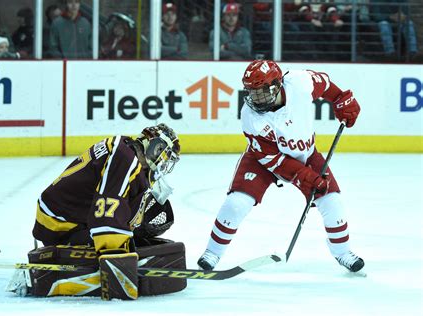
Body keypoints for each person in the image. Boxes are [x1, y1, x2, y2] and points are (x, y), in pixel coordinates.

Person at [197, 60, 364, 274]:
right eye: (251, 92)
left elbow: (326, 84)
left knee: (332, 202)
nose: (255, 98)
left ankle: (343, 253)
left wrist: (341, 99)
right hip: (263, 160)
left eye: (260, 92)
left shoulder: (300, 83)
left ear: (277, 85)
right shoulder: (251, 117)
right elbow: (275, 161)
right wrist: (306, 177)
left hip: (306, 154)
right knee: (236, 203)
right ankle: (212, 253)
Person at [24, 123, 182, 300]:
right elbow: (106, 211)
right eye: (165, 155)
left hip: (64, 214)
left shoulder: (125, 150)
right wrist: (117, 257)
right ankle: (72, 272)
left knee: (131, 236)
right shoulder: (125, 160)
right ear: (155, 148)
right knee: (117, 243)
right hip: (58, 224)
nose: (165, 162)